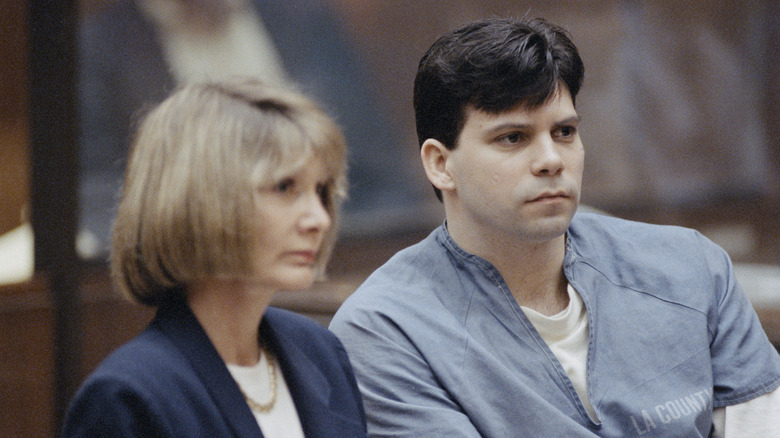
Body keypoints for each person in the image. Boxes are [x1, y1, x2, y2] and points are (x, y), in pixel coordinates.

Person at [329, 17, 780, 437]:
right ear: (441, 164)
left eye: (564, 132)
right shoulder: (387, 330)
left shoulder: (691, 269)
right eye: (513, 138)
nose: (550, 160)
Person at [63, 78, 366, 437]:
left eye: (320, 190)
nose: (320, 219)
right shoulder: (127, 397)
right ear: (201, 199)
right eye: (285, 187)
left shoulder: (322, 351)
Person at [77, 0, 429, 258]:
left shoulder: (303, 18)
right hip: (195, 274)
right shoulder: (100, 45)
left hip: (334, 255)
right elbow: (99, 196)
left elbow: (379, 168)